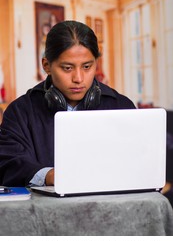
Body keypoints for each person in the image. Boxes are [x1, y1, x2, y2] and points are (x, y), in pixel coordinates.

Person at [0, 20, 136, 187]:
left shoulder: (122, 107)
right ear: (47, 66)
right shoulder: (19, 112)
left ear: (96, 63)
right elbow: (8, 163)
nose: (78, 78)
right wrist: (48, 176)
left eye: (87, 66)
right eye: (67, 68)